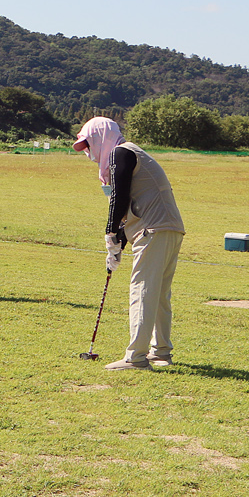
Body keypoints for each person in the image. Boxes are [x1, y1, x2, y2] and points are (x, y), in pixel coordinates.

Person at [73, 117, 185, 371]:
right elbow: (130, 205)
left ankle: (136, 357)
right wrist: (118, 244)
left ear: (101, 136)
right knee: (158, 293)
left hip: (154, 230)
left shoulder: (120, 153)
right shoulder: (129, 152)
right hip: (167, 228)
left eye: (88, 145)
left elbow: (119, 198)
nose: (88, 153)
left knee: (143, 290)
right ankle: (161, 352)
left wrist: (110, 234)